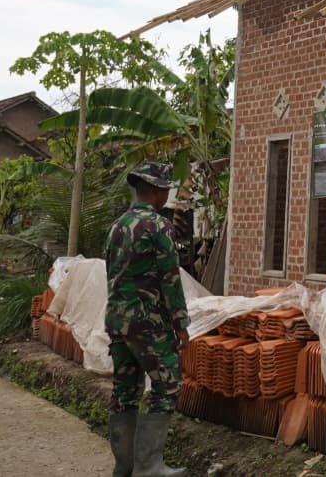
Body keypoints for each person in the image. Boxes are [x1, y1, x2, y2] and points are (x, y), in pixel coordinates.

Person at [105, 162, 191, 477]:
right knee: (166, 386)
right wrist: (180, 323)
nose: (167, 194)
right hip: (148, 323)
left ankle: (124, 467)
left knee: (125, 391)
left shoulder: (117, 226)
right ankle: (149, 467)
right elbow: (170, 279)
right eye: (166, 189)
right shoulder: (158, 226)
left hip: (117, 321)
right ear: (156, 191)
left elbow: (111, 272)